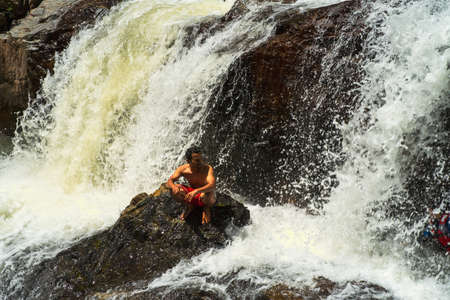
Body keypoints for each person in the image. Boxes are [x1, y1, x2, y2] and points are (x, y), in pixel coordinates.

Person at [167, 147, 216, 224]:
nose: (201, 162)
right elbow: (170, 181)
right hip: (190, 195)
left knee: (209, 194)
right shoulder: (183, 169)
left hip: (204, 196)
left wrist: (196, 191)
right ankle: (189, 206)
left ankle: (206, 208)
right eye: (197, 160)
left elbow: (212, 185)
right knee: (176, 189)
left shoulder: (207, 169)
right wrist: (174, 187)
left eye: (201, 159)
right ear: (188, 161)